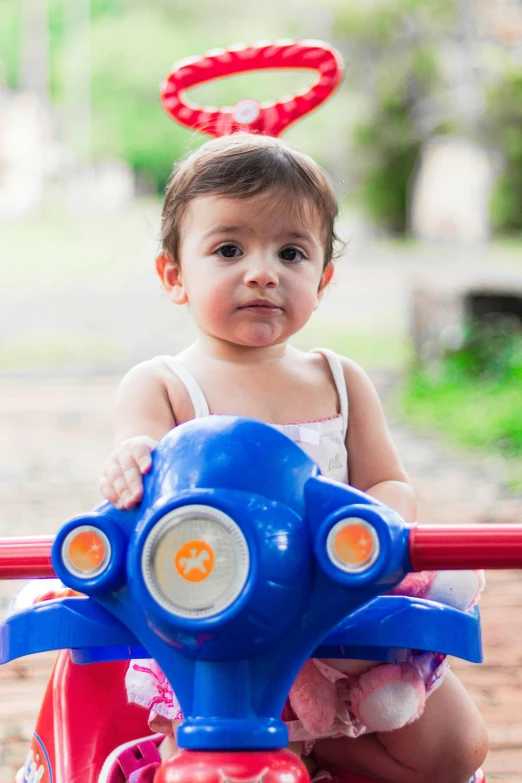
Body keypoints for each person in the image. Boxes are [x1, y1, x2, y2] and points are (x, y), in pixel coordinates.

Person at [99, 132, 488, 783]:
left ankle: (322, 754)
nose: (262, 270)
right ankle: (270, 748)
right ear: (174, 275)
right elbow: (133, 463)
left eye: (291, 252)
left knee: (457, 750)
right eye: (228, 249)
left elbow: (388, 478)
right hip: (220, 623)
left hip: (341, 612)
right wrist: (131, 461)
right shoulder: (162, 384)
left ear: (322, 278)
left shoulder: (341, 379)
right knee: (211, 761)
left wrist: (379, 521)